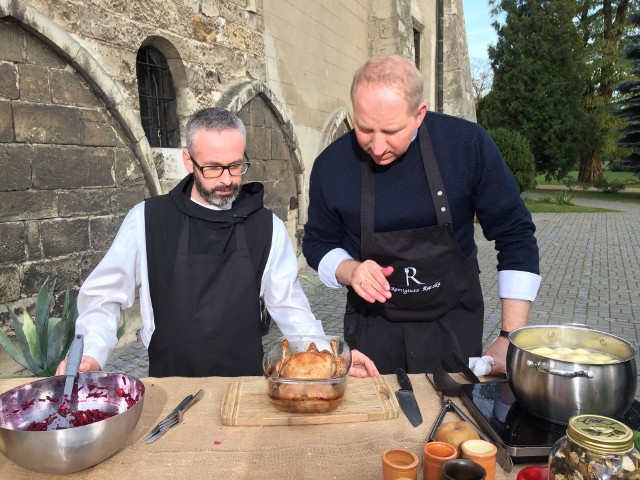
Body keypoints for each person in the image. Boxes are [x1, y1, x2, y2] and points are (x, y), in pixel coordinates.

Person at [57, 107, 378, 378]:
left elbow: (292, 310)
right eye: (212, 167)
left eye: (236, 166)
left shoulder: (268, 227)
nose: (226, 179)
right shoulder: (146, 220)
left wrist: (334, 360)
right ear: (188, 161)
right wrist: (92, 353)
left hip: (245, 386)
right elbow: (103, 298)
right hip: (169, 385)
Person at [302, 55, 542, 375]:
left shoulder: (467, 146)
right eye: (364, 128)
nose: (376, 145)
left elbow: (515, 234)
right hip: (372, 327)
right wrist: (349, 269)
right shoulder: (332, 165)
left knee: (451, 420)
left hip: (453, 322)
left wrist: (510, 335)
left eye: (391, 130)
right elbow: (318, 242)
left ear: (420, 113)